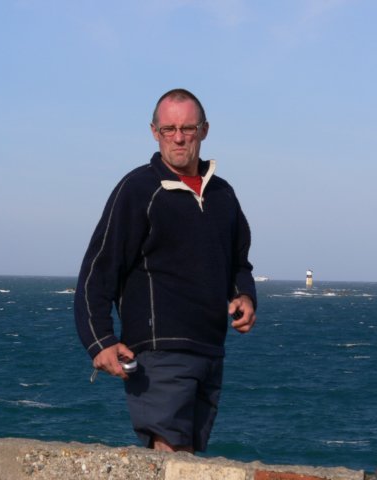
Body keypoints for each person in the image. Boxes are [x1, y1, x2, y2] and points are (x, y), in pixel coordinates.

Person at [74, 88, 257, 453]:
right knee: (170, 453)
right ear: (154, 132)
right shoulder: (138, 190)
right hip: (158, 351)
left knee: (187, 457)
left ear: (204, 130)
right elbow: (98, 269)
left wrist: (245, 296)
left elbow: (238, 261)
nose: (178, 137)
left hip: (210, 349)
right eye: (168, 129)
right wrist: (99, 341)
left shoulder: (222, 194)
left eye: (187, 128)